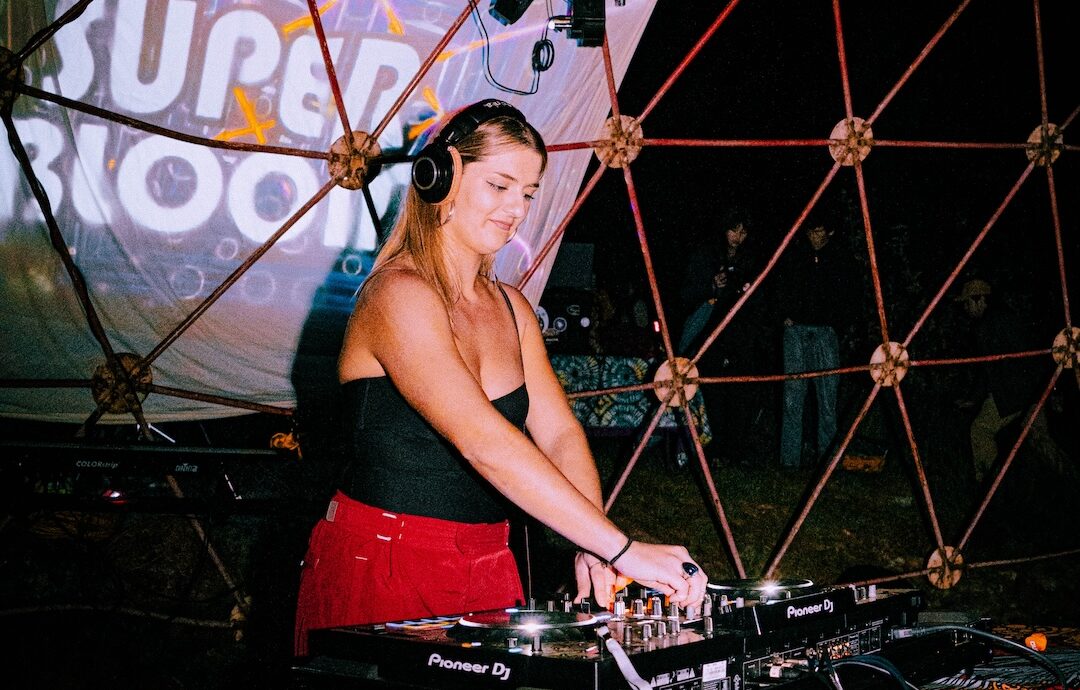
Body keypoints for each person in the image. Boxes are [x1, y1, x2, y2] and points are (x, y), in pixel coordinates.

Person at [293, 100, 707, 656]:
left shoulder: (512, 308)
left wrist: (592, 542)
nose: (517, 209)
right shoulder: (398, 295)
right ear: (441, 177)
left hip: (489, 561)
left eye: (529, 193)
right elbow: (483, 440)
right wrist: (622, 548)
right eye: (500, 185)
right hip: (388, 560)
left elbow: (559, 433)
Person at [952, 278, 1066, 484]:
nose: (966, 309)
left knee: (980, 430)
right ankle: (1067, 482)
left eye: (967, 303)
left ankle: (990, 485)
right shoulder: (1007, 318)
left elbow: (992, 366)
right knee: (1042, 441)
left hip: (1012, 395)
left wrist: (1053, 391)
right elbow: (995, 365)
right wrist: (1050, 391)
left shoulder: (989, 325)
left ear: (980, 300)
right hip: (1030, 393)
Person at [678, 215, 770, 466]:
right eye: (733, 230)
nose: (738, 238)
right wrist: (711, 286)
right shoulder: (705, 255)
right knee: (712, 393)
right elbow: (687, 295)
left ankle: (736, 451)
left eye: (743, 232)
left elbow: (759, 300)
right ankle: (712, 451)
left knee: (739, 393)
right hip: (710, 336)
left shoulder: (750, 260)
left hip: (740, 337)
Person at [775, 221, 853, 470]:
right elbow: (780, 285)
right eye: (810, 231)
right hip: (796, 331)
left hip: (825, 333)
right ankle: (789, 461)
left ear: (830, 231)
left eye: (819, 231)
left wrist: (837, 325)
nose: (814, 237)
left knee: (827, 399)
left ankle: (827, 461)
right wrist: (784, 314)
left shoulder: (840, 259)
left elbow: (849, 295)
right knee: (793, 398)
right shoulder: (795, 255)